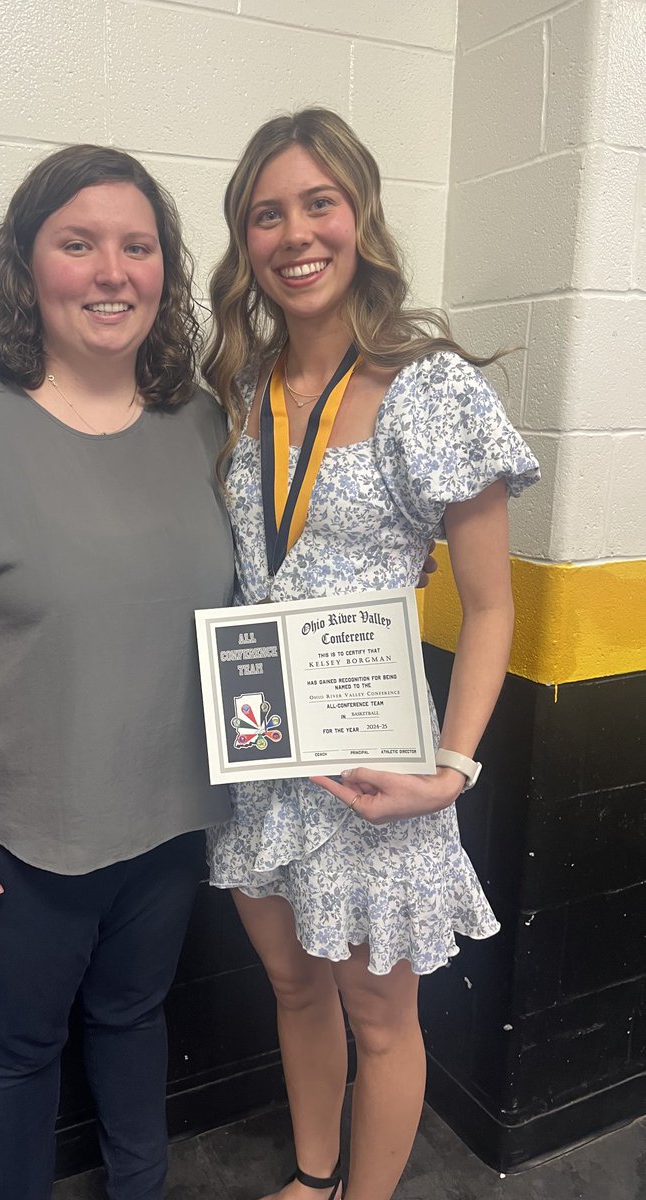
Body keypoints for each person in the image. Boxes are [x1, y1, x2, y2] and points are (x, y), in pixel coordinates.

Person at [0, 145, 235, 1200]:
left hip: (166, 827)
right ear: (28, 266)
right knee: (16, 1053)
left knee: (134, 1019)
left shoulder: (201, 424)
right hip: (15, 845)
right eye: (78, 244)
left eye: (137, 246)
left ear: (164, 268)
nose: (112, 271)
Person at [202, 109, 540, 1200]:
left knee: (381, 1019)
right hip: (262, 748)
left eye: (318, 204)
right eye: (268, 213)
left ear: (360, 218)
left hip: (372, 766)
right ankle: (313, 1177)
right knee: (294, 988)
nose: (295, 234)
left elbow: (490, 606)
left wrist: (451, 770)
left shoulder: (431, 389)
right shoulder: (239, 391)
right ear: (244, 238)